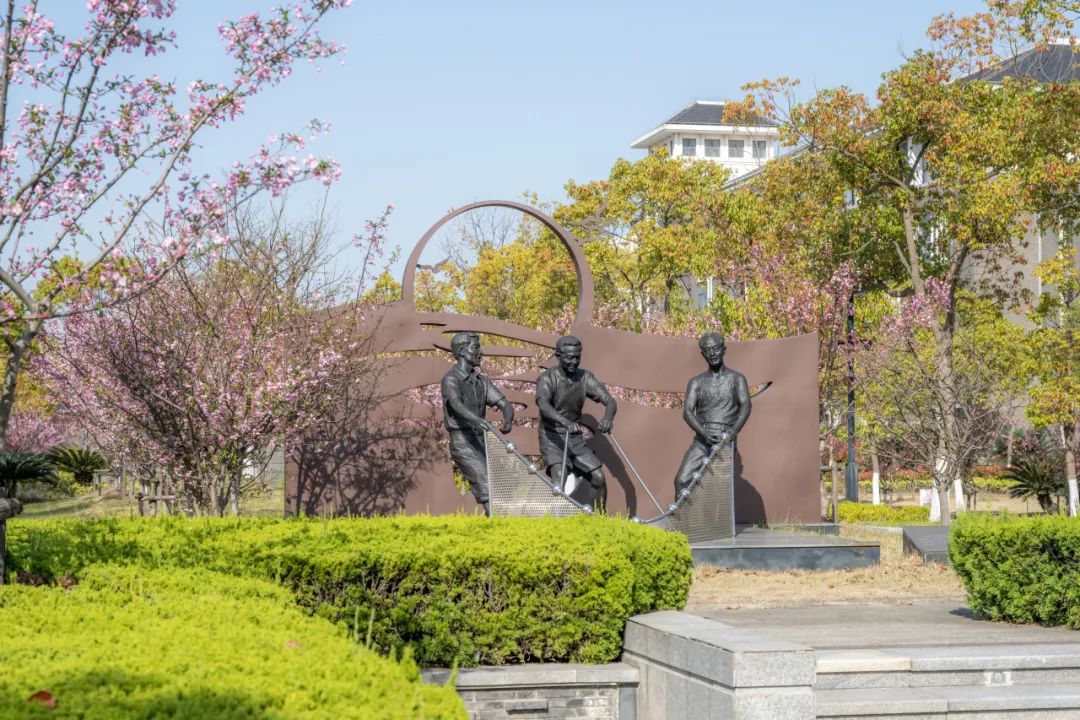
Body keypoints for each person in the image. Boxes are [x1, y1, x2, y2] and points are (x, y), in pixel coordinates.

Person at [534, 335, 617, 511]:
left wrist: (608, 418)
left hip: (574, 439)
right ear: (558, 356)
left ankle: (598, 519)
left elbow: (610, 401)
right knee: (559, 479)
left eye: (577, 357)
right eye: (569, 358)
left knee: (598, 478)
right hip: (552, 438)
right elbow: (543, 404)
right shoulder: (547, 378)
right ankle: (555, 522)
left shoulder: (585, 377)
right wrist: (564, 421)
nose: (574, 362)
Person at [440, 332, 514, 514]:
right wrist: (477, 420)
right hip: (462, 442)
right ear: (462, 351)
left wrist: (508, 416)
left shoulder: (482, 382)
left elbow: (504, 403)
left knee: (505, 484)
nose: (481, 352)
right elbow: (456, 404)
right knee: (487, 486)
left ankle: (503, 524)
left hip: (482, 441)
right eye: (476, 347)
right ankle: (500, 524)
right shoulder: (451, 379)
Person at [674, 332, 751, 494]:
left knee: (718, 490)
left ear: (724, 350)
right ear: (702, 354)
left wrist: (733, 431)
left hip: (725, 440)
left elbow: (746, 406)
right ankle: (685, 513)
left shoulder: (737, 379)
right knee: (681, 480)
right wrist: (704, 433)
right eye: (707, 350)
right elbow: (687, 412)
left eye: (716, 349)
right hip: (702, 440)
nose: (712, 353)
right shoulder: (696, 382)